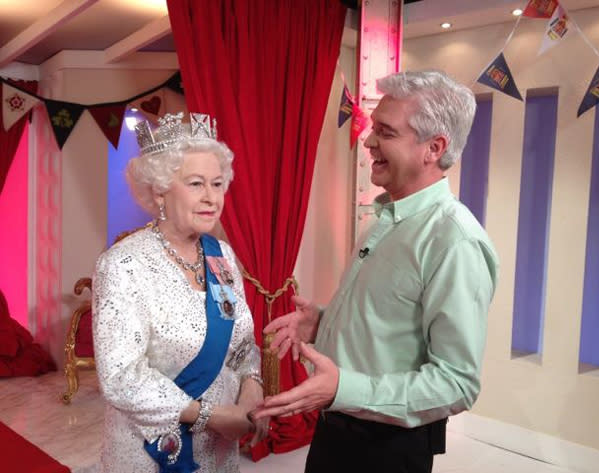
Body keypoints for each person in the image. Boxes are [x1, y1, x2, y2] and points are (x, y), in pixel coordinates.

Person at [253, 70, 499, 473]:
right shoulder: (384, 218)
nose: (367, 141)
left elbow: (457, 383)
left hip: (387, 446)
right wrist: (324, 322)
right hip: (338, 425)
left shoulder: (455, 242)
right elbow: (389, 324)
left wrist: (343, 388)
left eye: (385, 132)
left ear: (433, 148)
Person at [92, 112, 267, 473]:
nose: (211, 198)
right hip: (149, 452)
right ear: (159, 190)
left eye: (217, 184)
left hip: (218, 449)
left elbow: (242, 345)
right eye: (196, 184)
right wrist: (212, 416)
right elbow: (122, 376)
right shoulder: (124, 264)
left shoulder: (223, 256)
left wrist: (252, 390)